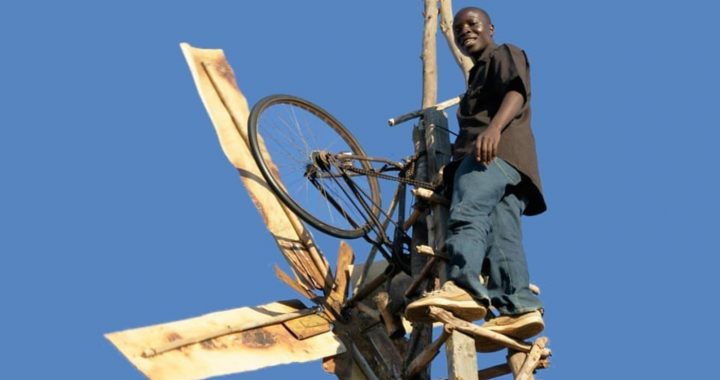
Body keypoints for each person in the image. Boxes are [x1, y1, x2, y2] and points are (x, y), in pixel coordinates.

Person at [405, 7, 547, 345]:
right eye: (457, 28)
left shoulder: (504, 53)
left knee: (467, 213)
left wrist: (493, 130)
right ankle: (519, 307)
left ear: (490, 27)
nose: (464, 30)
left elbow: (517, 91)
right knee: (502, 234)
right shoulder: (476, 77)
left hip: (491, 155)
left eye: (472, 23)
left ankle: (464, 288)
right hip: (513, 166)